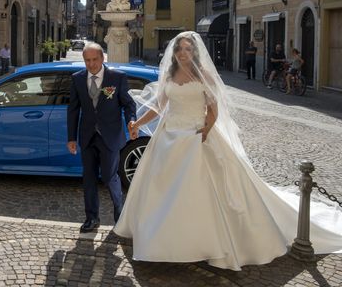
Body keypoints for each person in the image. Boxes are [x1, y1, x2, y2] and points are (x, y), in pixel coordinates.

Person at [114, 31, 342, 270]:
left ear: (194, 52)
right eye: (179, 49)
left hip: (196, 138)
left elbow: (213, 110)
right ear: (174, 53)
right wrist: (137, 124)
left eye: (187, 49)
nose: (182, 53)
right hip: (168, 138)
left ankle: (202, 243)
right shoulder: (169, 76)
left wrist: (205, 131)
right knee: (160, 188)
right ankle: (160, 238)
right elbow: (160, 106)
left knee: (199, 190)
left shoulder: (204, 77)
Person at [67, 42, 137, 232]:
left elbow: (129, 104)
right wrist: (71, 138)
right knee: (88, 178)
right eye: (87, 60)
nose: (91, 64)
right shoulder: (77, 79)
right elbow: (73, 110)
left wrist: (131, 121)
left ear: (102, 58)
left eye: (95, 59)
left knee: (109, 176)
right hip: (87, 136)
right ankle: (92, 218)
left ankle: (120, 213)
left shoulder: (117, 77)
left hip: (110, 136)